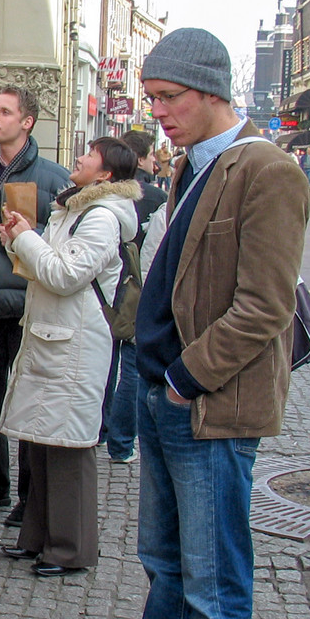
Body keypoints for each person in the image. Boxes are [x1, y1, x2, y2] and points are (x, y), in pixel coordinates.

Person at [87, 28, 310, 619]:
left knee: (215, 587)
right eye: (152, 99)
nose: (159, 114)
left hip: (208, 408)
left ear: (212, 89)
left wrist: (185, 380)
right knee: (165, 571)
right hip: (162, 399)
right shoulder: (190, 169)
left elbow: (264, 306)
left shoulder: (267, 170)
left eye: (168, 98)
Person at [0, 137, 139, 577]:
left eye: (89, 154)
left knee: (69, 447)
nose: (78, 158)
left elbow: (64, 274)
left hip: (76, 344)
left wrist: (26, 240)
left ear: (106, 174)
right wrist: (16, 241)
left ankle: (70, 549)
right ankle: (38, 538)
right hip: (54, 337)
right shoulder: (73, 208)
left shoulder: (102, 218)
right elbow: (46, 263)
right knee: (41, 443)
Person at [0, 86, 70, 527]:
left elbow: (63, 246)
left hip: (28, 309)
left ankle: (29, 500)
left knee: (28, 405)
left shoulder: (54, 178)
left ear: (26, 122)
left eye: (5, 112)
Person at [100, 131, 168, 463]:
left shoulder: (102, 198)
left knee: (104, 359)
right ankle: (121, 442)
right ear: (141, 158)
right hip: (135, 288)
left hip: (106, 287)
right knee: (130, 365)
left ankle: (100, 429)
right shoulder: (155, 197)